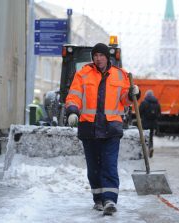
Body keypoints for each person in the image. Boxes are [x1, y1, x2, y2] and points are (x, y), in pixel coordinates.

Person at [65, 43, 140, 215]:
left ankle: (110, 200)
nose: (98, 58)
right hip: (88, 128)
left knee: (109, 166)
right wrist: (72, 111)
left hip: (111, 128)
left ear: (108, 57)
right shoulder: (83, 74)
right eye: (96, 55)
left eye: (101, 55)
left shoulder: (121, 75)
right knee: (94, 168)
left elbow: (125, 100)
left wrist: (133, 93)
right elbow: (74, 96)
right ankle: (98, 199)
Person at [139, 90, 161, 158]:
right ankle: (150, 148)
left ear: (146, 95)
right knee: (151, 137)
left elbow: (139, 112)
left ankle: (145, 150)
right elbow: (159, 113)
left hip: (145, 123)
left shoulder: (144, 102)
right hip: (153, 124)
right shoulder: (157, 103)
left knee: (144, 137)